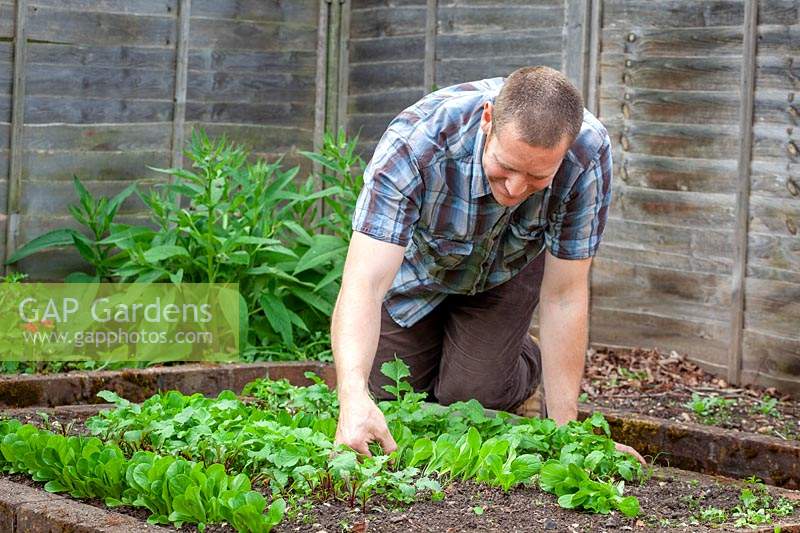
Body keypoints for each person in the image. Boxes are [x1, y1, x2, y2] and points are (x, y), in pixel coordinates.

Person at [331, 66, 645, 465]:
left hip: (506, 270)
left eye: (537, 176)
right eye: (507, 166)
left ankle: (516, 363)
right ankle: (467, 354)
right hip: (417, 272)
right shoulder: (417, 142)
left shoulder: (587, 153)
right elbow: (365, 282)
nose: (515, 189)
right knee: (389, 397)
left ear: (564, 154)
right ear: (487, 121)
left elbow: (565, 295)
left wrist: (568, 433)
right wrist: (352, 396)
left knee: (470, 398)